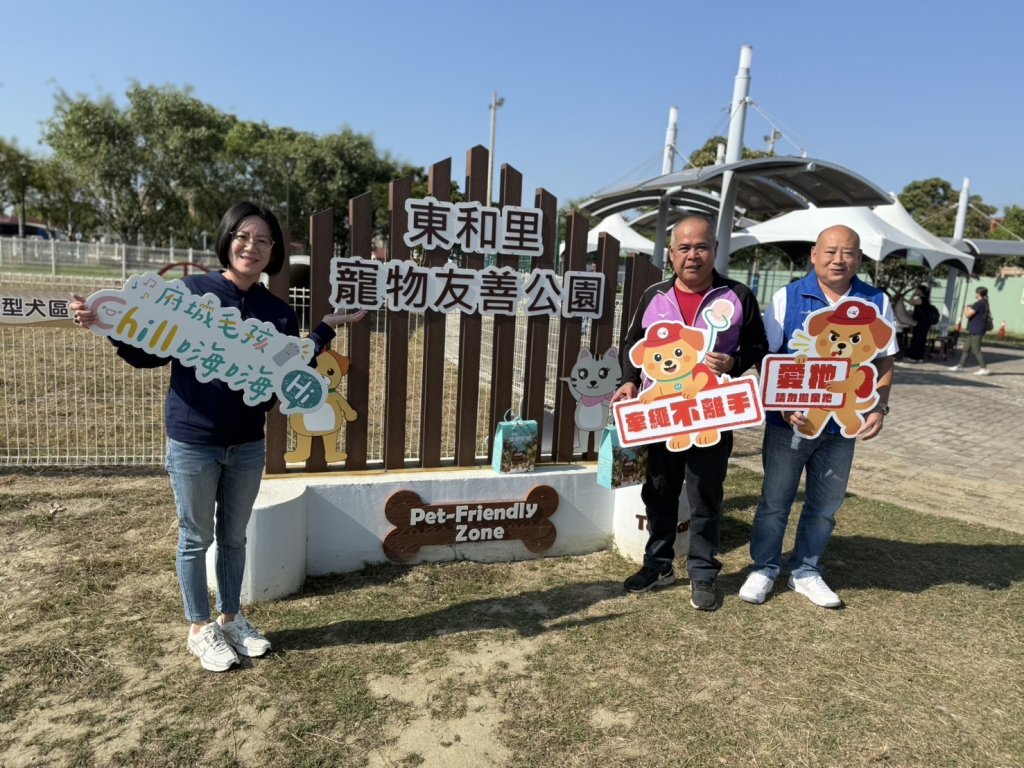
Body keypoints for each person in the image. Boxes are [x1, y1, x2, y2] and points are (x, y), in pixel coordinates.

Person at [70, 202, 364, 671]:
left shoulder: (279, 313)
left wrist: (325, 331)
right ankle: (200, 628)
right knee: (194, 536)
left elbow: (287, 375)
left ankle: (232, 619)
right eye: (243, 237)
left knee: (233, 537)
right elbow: (148, 354)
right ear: (227, 240)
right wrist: (109, 327)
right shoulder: (192, 292)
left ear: (274, 253)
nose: (252, 247)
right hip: (192, 439)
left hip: (246, 443)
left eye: (263, 241)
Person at [612, 214, 768, 611]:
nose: (693, 255)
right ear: (671, 253)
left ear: (714, 251)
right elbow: (632, 343)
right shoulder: (654, 296)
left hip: (711, 416)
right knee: (659, 489)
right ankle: (659, 564)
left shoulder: (737, 295)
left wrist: (733, 362)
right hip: (661, 414)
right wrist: (629, 381)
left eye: (701, 247)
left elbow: (757, 346)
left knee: (705, 495)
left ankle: (702, 571)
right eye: (684, 247)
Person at [738, 225, 896, 609]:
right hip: (791, 422)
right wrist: (781, 402)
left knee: (826, 503)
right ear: (814, 254)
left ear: (860, 258)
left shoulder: (876, 301)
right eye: (830, 251)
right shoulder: (788, 296)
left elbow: (884, 358)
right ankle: (764, 567)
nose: (838, 259)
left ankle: (806, 570)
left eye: (847, 252)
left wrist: (879, 405)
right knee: (775, 500)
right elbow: (766, 354)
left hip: (842, 425)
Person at [950, 287, 990, 375]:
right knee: (966, 348)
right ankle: (961, 366)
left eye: (976, 293)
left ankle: (984, 368)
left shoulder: (979, 303)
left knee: (976, 350)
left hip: (977, 329)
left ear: (979, 294)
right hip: (974, 329)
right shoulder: (984, 302)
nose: (975, 294)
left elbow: (968, 315)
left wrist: (965, 308)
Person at [905, 284, 937, 363]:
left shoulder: (921, 299)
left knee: (917, 339)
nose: (915, 291)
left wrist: (913, 295)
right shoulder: (926, 299)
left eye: (917, 290)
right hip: (925, 323)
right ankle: (919, 357)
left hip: (921, 323)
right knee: (921, 339)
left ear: (920, 291)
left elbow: (910, 302)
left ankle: (914, 357)